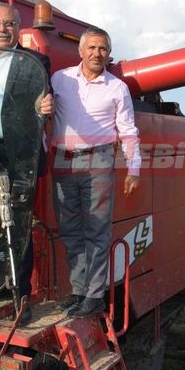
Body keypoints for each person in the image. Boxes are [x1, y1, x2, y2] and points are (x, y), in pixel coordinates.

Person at [50, 26, 141, 319]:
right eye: (91, 48)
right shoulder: (60, 80)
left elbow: (128, 131)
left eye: (102, 49)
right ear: (81, 51)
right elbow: (44, 114)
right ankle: (78, 291)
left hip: (99, 160)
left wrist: (134, 169)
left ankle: (95, 295)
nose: (96, 53)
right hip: (63, 160)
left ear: (109, 54)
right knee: (70, 229)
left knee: (97, 229)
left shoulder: (117, 88)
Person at [0, 2, 52, 324]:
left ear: (19, 28)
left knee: (17, 226)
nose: (2, 29)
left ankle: (20, 298)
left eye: (9, 24)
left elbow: (44, 100)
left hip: (17, 155)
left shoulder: (34, 61)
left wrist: (44, 107)